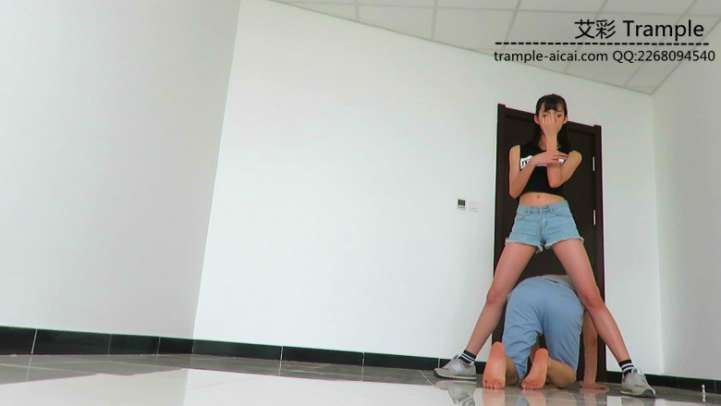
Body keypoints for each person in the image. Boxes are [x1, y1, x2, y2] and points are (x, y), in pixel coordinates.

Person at [433, 94, 655, 398]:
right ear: (536, 118)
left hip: (558, 217)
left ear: (564, 119)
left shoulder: (572, 155)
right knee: (496, 293)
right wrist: (534, 161)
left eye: (558, 114)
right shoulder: (518, 151)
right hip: (525, 218)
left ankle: (630, 372)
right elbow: (514, 189)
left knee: (591, 295)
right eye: (546, 114)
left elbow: (553, 181)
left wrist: (551, 140)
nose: (552, 117)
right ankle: (466, 362)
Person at [480, 274, 605, 391]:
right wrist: (589, 381)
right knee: (567, 374)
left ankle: (504, 360)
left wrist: (535, 361)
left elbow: (531, 340)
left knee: (515, 367)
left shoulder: (550, 278)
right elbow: (591, 340)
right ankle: (548, 363)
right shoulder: (589, 287)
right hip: (564, 299)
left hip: (524, 292)